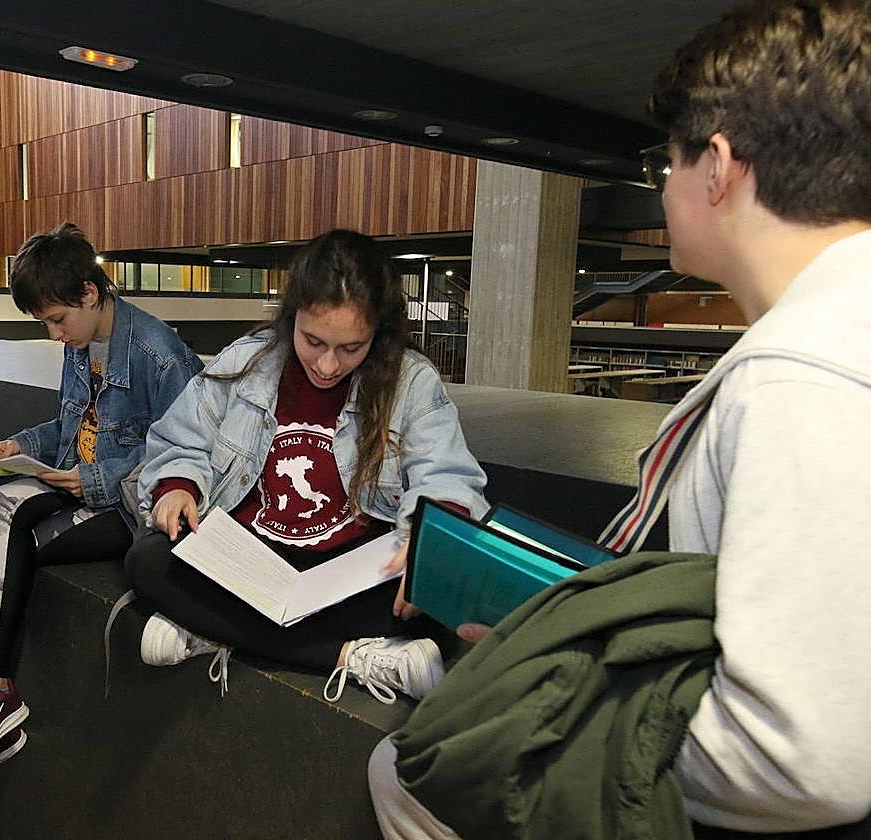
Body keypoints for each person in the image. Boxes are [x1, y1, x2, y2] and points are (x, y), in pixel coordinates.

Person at [369, 0, 871, 835]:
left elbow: (799, 756)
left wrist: (551, 690)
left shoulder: (803, 377)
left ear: (717, 167)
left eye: (662, 166)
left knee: (412, 769)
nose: (663, 189)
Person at [126, 229, 489, 704]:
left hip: (348, 570)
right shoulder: (248, 362)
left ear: (377, 332)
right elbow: (181, 442)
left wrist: (431, 544)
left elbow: (447, 476)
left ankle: (216, 631)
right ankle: (353, 657)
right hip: (250, 560)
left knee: (439, 598)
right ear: (291, 314)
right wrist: (177, 487)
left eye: (351, 348)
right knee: (147, 560)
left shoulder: (411, 381)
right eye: (313, 341)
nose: (327, 365)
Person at [0, 222, 202, 796]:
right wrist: (22, 444)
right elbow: (75, 428)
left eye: (56, 319)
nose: (52, 334)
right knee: (3, 505)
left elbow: (189, 455)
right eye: (44, 322)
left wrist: (96, 476)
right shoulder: (83, 342)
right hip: (78, 485)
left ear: (90, 293)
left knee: (3, 521)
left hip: (130, 507)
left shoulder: (159, 353)